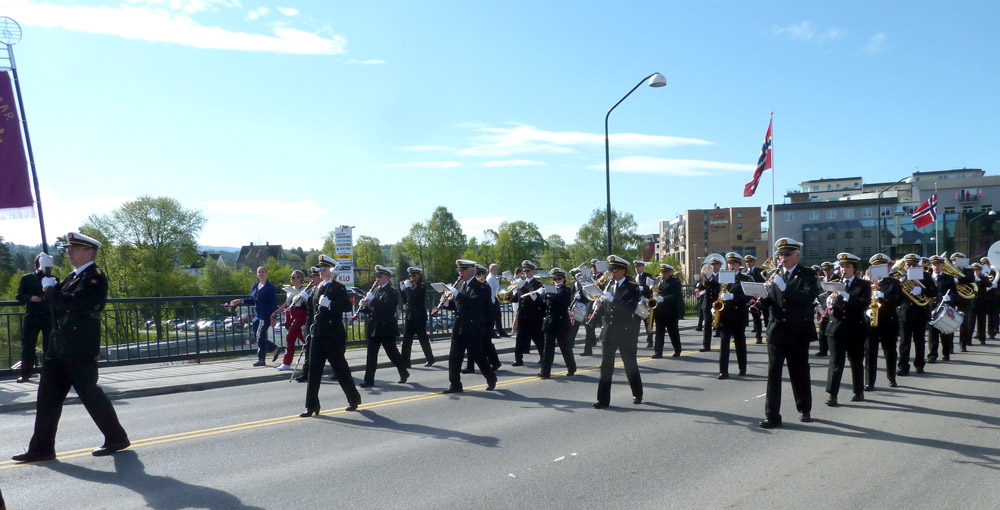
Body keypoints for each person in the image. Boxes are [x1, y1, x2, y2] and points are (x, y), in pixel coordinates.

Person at [12, 232, 130, 462]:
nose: (68, 253)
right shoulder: (72, 276)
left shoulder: (94, 278)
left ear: (88, 252)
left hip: (79, 347)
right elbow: (54, 304)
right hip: (58, 346)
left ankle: (116, 437)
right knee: (46, 399)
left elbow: (71, 304)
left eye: (73, 249)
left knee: (90, 394)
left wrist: (49, 291)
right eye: (67, 249)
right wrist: (43, 276)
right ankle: (41, 448)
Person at [758, 238, 820, 428]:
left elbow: (807, 298)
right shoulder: (774, 275)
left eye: (786, 254)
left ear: (796, 255)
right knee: (773, 374)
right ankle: (772, 415)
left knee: (799, 372)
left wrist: (784, 287)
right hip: (776, 331)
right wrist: (760, 297)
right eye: (779, 255)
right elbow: (772, 302)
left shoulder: (807, 274)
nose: (781, 258)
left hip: (798, 331)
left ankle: (804, 408)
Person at [301, 256, 361, 416]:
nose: (320, 272)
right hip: (317, 335)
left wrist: (330, 304)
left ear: (331, 270)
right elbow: (313, 312)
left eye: (323, 269)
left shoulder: (338, 288)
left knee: (340, 369)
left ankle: (354, 398)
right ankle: (311, 405)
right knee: (313, 371)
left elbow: (347, 306)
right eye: (319, 269)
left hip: (333, 335)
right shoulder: (317, 287)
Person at [593, 255, 643, 409]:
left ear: (623, 270)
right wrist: (598, 306)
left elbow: (629, 309)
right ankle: (603, 400)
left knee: (630, 364)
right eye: (610, 269)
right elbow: (606, 309)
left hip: (625, 331)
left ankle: (637, 393)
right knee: (606, 367)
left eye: (614, 270)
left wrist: (612, 299)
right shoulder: (608, 284)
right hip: (609, 331)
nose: (611, 272)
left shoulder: (632, 286)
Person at [440, 259, 497, 393]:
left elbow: (475, 303)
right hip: (459, 326)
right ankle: (455, 384)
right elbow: (457, 306)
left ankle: (491, 377)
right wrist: (446, 303)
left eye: (463, 270)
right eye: (459, 271)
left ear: (471, 271)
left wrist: (457, 294)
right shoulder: (460, 285)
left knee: (478, 356)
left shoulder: (482, 286)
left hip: (473, 326)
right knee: (454, 356)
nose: (460, 273)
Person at [824, 252, 870, 407]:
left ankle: (858, 391)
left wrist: (846, 295)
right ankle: (832, 394)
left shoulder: (863, 285)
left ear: (854, 268)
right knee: (835, 362)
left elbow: (863, 305)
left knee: (856, 361)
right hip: (836, 328)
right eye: (842, 266)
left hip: (855, 328)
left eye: (847, 266)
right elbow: (825, 306)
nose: (844, 269)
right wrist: (828, 301)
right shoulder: (834, 282)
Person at [359, 265, 409, 387]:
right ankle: (369, 380)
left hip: (386, 327)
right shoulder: (376, 290)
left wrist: (373, 300)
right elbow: (373, 308)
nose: (377, 278)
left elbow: (388, 307)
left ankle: (403, 372)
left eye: (379, 276)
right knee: (371, 354)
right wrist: (364, 306)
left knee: (392, 353)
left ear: (386, 277)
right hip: (374, 326)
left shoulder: (392, 291)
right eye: (376, 276)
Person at [15, 252, 58, 383]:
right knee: (28, 346)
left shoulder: (54, 279)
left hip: (48, 317)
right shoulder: (27, 278)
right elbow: (19, 296)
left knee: (48, 347)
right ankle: (25, 374)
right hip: (32, 317)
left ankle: (47, 373)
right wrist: (30, 298)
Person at [864, 253, 902, 390]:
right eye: (876, 266)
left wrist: (884, 296)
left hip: (888, 321)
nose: (879, 268)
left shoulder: (894, 282)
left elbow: (899, 299)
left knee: (890, 351)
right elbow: (860, 300)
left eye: (882, 266)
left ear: (887, 267)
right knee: (870, 352)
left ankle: (892, 377)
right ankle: (869, 381)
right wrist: (865, 310)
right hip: (871, 322)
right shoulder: (866, 282)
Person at [229, 266, 280, 367]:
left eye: (263, 272)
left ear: (266, 273)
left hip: (266, 315)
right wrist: (239, 301)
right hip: (257, 315)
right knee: (257, 336)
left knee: (260, 336)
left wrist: (273, 317)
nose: (261, 273)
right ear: (257, 274)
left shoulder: (270, 287)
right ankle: (274, 348)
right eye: (259, 272)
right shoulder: (256, 285)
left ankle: (262, 359)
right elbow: (253, 300)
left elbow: (273, 303)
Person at [897, 253, 936, 376]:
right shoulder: (900, 276)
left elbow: (934, 291)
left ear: (918, 265)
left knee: (919, 341)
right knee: (904, 342)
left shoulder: (925, 275)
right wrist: (898, 284)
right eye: (909, 264)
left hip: (920, 313)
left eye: (914, 264)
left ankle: (919, 365)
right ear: (905, 264)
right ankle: (903, 367)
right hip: (905, 313)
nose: (911, 267)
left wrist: (922, 290)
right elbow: (894, 295)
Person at [716, 252, 752, 379]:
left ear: (739, 265)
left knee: (739, 343)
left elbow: (748, 297)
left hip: (738, 315)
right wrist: (714, 307)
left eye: (734, 264)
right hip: (725, 315)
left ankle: (742, 367)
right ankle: (723, 371)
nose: (731, 266)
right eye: (730, 263)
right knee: (724, 343)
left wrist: (733, 297)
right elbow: (719, 294)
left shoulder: (745, 279)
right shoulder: (724, 277)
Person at [538, 267, 576, 378]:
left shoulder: (566, 290)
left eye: (559, 278)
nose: (557, 281)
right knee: (548, 350)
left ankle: (571, 368)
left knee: (565, 348)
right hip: (549, 324)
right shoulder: (550, 290)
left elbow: (559, 299)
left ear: (564, 279)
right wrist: (539, 296)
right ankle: (545, 372)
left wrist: (546, 293)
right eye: (555, 279)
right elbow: (545, 305)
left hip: (561, 324)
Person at [271, 270, 310, 371]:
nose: (291, 279)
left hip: (301, 315)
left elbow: (309, 304)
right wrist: (275, 313)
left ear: (300, 279)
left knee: (290, 337)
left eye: (293, 277)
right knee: (304, 339)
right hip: (291, 315)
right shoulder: (289, 291)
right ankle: (316, 352)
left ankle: (286, 362)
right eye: (291, 277)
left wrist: (304, 297)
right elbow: (286, 304)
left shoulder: (305, 290)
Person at [400, 266, 435, 368]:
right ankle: (405, 362)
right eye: (410, 275)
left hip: (419, 317)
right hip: (410, 316)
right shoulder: (412, 286)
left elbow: (413, 297)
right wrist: (402, 290)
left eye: (414, 275)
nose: (411, 277)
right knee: (406, 340)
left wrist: (406, 287)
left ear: (419, 275)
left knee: (423, 339)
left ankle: (430, 358)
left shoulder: (421, 286)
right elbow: (406, 300)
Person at [511, 260, 545, 366]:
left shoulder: (537, 284)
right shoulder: (523, 283)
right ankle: (518, 359)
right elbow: (516, 299)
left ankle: (544, 357)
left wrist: (522, 287)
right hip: (522, 315)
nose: (525, 273)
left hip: (533, 316)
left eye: (527, 271)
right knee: (519, 338)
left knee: (537, 338)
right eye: (524, 271)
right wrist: (512, 293)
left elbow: (533, 298)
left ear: (532, 271)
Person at [927, 255, 958, 363]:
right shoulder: (927, 278)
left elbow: (956, 294)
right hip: (931, 307)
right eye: (934, 264)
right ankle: (932, 355)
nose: (936, 267)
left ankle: (946, 353)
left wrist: (950, 297)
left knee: (944, 333)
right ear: (931, 265)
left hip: (944, 309)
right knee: (932, 334)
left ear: (943, 265)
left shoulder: (949, 278)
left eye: (939, 264)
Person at [651, 263, 683, 358]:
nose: (663, 274)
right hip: (659, 310)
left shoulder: (675, 282)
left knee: (673, 332)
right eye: (662, 272)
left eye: (665, 272)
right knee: (659, 333)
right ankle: (658, 352)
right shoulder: (658, 281)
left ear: (670, 272)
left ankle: (677, 350)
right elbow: (654, 292)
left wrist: (663, 299)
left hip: (671, 311)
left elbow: (675, 296)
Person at [696, 255, 723, 352]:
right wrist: (703, 278)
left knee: (723, 324)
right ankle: (706, 345)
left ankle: (725, 343)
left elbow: (719, 285)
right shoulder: (707, 275)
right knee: (707, 325)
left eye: (716, 265)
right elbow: (699, 287)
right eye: (712, 264)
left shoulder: (722, 275)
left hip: (719, 303)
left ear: (720, 266)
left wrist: (710, 278)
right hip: (707, 303)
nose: (714, 266)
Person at [815, 261, 839, 356]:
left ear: (833, 269)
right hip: (822, 307)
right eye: (824, 270)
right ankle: (823, 350)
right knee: (822, 330)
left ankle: (836, 349)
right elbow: (817, 292)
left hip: (833, 308)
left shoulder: (838, 279)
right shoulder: (820, 280)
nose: (826, 271)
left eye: (828, 269)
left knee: (835, 329)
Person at [745, 254, 768, 344]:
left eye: (750, 261)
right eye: (747, 262)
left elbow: (766, 282)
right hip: (752, 299)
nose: (748, 263)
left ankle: (769, 334)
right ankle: (758, 337)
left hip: (762, 297)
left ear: (754, 262)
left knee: (767, 318)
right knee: (756, 319)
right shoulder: (744, 272)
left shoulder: (761, 271)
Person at [633, 260, 655, 348]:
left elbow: (651, 288)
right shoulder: (634, 278)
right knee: (635, 323)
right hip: (637, 304)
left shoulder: (648, 276)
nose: (637, 269)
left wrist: (643, 288)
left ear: (642, 267)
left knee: (647, 323)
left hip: (645, 302)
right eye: (635, 267)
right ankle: (634, 340)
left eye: (638, 267)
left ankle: (650, 341)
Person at [488, 263, 509, 337]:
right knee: (493, 317)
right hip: (493, 300)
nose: (498, 271)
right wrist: (492, 300)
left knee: (498, 317)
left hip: (495, 299)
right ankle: (492, 332)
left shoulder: (493, 277)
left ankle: (501, 331)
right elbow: (490, 290)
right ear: (493, 270)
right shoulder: (490, 278)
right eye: (497, 269)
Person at [971, 263, 990, 345]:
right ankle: (968, 340)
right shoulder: (969, 278)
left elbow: (989, 284)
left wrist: (981, 280)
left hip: (982, 303)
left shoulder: (984, 278)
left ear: (980, 271)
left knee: (982, 322)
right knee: (970, 322)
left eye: (977, 270)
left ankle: (982, 339)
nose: (976, 272)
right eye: (974, 270)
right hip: (972, 303)